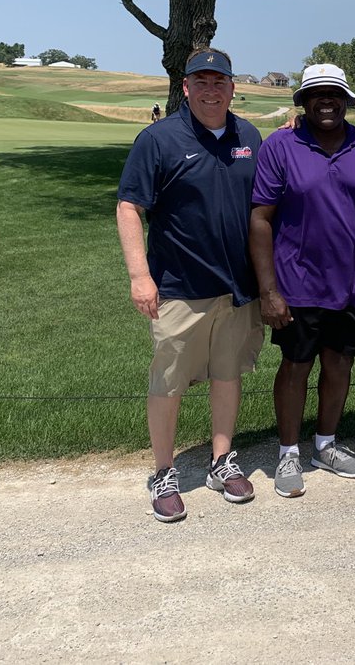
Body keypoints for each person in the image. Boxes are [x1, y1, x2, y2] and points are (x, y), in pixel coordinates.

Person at [116, 48, 263, 522]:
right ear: (185, 87)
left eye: (219, 81)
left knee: (227, 375)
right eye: (200, 81)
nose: (210, 89)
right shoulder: (158, 139)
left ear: (232, 87)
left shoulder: (249, 135)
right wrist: (140, 276)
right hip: (179, 286)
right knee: (170, 381)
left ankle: (222, 461)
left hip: (236, 287)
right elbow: (129, 207)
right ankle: (164, 472)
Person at [249, 63, 355, 498]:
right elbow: (260, 219)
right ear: (303, 101)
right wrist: (269, 290)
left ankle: (326, 445)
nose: (327, 101)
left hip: (354, 286)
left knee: (339, 365)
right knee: (295, 367)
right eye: (317, 94)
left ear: (348, 99)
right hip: (295, 285)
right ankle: (288, 452)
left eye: (335, 93)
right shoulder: (281, 146)